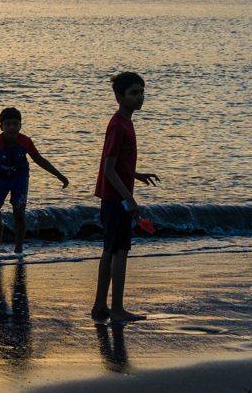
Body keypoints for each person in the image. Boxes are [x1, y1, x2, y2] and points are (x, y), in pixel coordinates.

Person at [90, 72, 160, 323]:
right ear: (119, 97)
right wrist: (129, 198)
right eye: (134, 93)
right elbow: (108, 168)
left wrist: (135, 174)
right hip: (116, 198)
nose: (140, 97)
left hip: (114, 196)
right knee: (119, 251)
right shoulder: (119, 125)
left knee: (110, 250)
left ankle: (100, 307)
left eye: (142, 92)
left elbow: (117, 164)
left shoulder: (125, 123)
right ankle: (117, 309)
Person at [0, 107, 69, 254]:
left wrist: (59, 175)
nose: (12, 128)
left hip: (20, 180)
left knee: (19, 214)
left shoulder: (25, 142)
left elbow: (39, 159)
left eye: (15, 124)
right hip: (0, 179)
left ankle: (18, 249)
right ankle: (0, 226)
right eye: (7, 124)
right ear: (1, 127)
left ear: (20, 126)